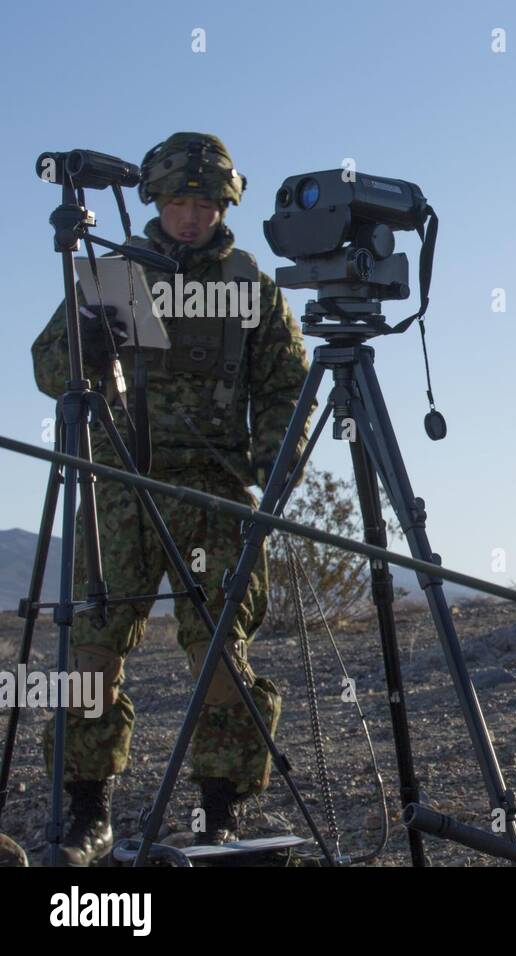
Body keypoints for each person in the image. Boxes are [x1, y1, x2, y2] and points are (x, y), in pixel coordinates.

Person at [31, 132, 311, 864]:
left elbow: (287, 380)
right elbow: (48, 364)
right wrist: (84, 347)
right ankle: (88, 811)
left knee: (222, 655)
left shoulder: (249, 282)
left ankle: (218, 816)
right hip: (121, 485)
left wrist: (275, 464)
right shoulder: (120, 272)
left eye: (206, 203)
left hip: (216, 495)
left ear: (226, 205)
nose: (192, 217)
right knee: (89, 651)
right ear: (157, 201)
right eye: (180, 202)